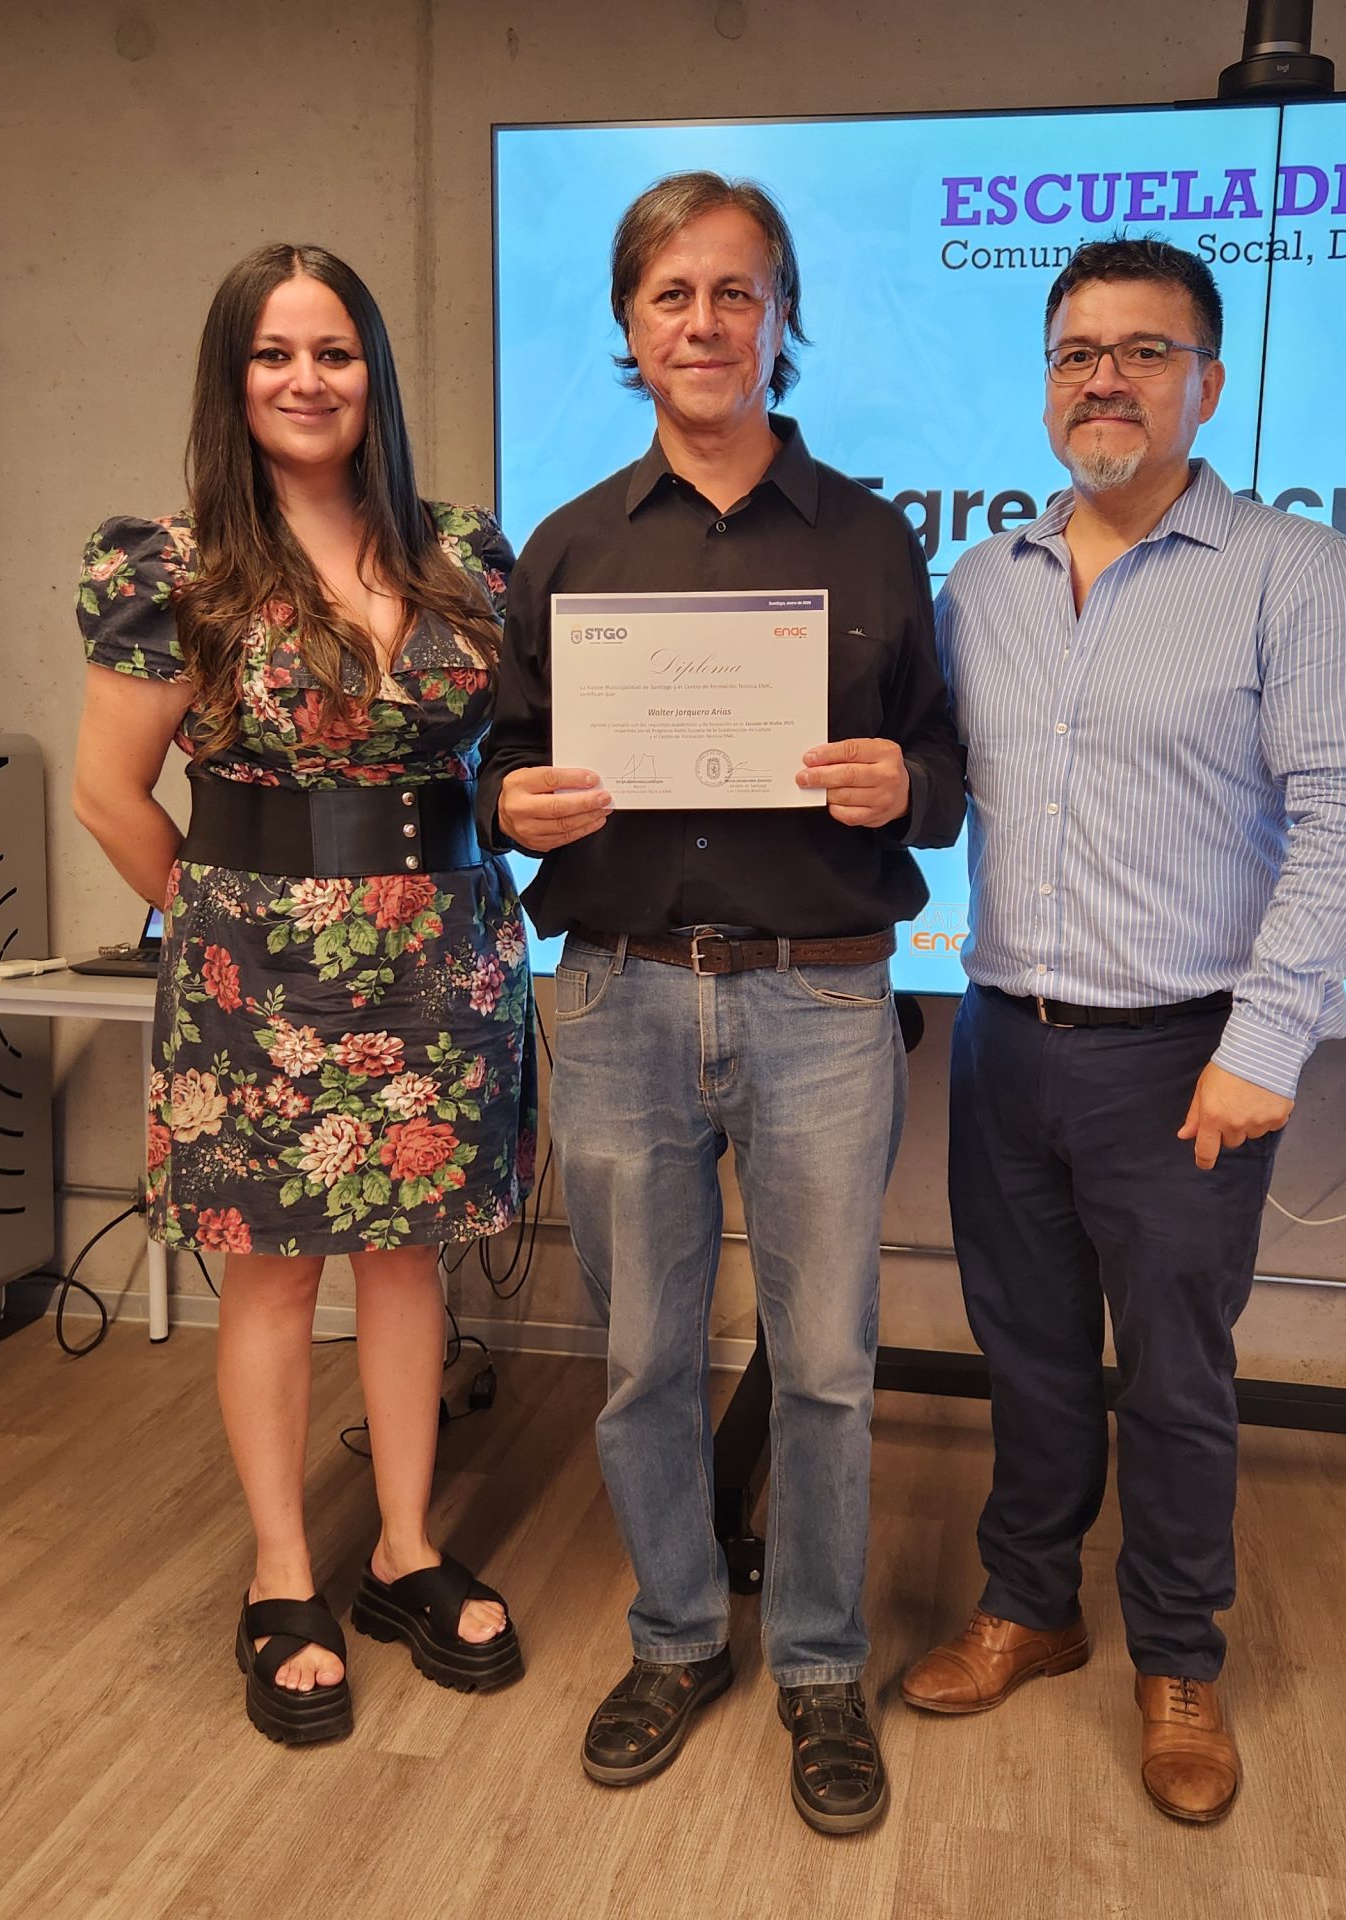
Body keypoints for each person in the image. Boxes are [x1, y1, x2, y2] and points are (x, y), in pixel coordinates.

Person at [905, 237, 1346, 1824]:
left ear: (1209, 382)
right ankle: (1031, 1605)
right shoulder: (981, 584)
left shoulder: (1298, 573)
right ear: (1046, 385)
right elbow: (934, 786)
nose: (1105, 380)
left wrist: (1264, 1045)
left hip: (1186, 1054)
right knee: (1028, 1351)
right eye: (1077, 354)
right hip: (1004, 1035)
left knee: (1177, 1380)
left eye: (1144, 352)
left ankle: (1178, 1660)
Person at [479, 172, 962, 1836]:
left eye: (736, 291)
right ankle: (677, 1637)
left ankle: (821, 1665)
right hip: (617, 998)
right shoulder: (568, 545)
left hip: (820, 1003)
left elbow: (944, 761)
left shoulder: (872, 538)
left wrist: (908, 785)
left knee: (824, 1361)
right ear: (631, 323)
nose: (705, 322)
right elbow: (501, 759)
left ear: (781, 316)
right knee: (641, 1361)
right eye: (672, 293)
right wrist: (508, 803)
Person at [73, 242, 534, 1748]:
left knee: (407, 1261)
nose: (306, 379)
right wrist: (222, 926)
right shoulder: (169, 563)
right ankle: (282, 1573)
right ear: (234, 376)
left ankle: (402, 1548)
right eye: (274, 353)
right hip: (254, 968)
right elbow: (109, 793)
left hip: (446, 951)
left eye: (333, 351)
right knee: (272, 1273)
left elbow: (500, 752)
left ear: (371, 371)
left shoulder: (460, 548)